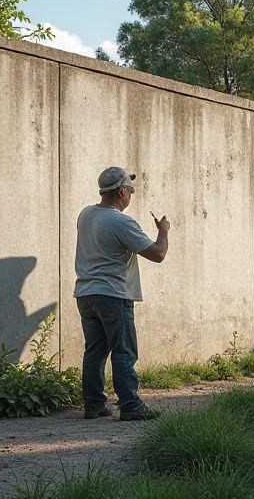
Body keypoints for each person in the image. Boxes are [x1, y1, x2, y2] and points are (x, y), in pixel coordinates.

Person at [74, 166, 170, 420]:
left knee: (94, 351)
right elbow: (157, 254)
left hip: (85, 293)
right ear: (120, 192)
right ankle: (130, 405)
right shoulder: (121, 221)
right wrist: (163, 230)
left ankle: (93, 405)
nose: (131, 194)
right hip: (113, 294)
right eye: (130, 190)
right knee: (124, 350)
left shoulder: (85, 215)